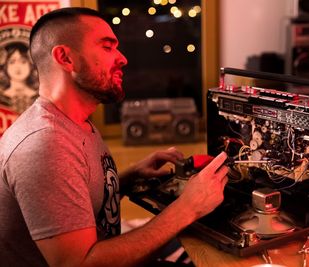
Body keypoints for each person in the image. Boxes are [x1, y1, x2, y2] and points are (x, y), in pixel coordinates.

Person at [0, 7, 228, 267]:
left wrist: (129, 178)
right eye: (107, 47)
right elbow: (79, 264)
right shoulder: (46, 144)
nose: (122, 58)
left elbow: (75, 202)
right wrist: (188, 209)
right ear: (66, 58)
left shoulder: (72, 122)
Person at [0, 42, 39, 113]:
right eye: (12, 62)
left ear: (30, 65)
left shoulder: (39, 95)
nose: (18, 67)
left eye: (23, 61)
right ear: (5, 66)